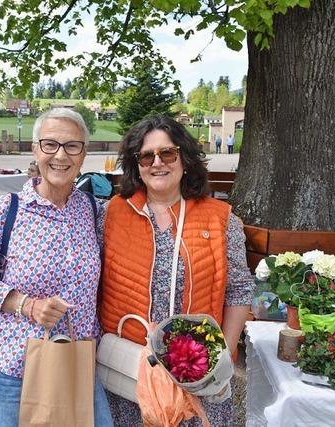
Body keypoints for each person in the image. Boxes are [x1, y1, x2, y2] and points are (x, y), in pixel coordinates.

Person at [98, 115, 255, 426]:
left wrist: (222, 359)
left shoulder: (220, 219)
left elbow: (238, 290)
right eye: (146, 155)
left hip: (196, 374)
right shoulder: (111, 214)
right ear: (136, 165)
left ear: (184, 158)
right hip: (130, 372)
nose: (157, 163)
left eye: (167, 153)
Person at [0, 108, 112, 426]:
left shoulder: (93, 211)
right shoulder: (7, 210)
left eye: (72, 145)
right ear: (35, 150)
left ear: (83, 154)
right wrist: (27, 305)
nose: (61, 155)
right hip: (15, 369)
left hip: (77, 364)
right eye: (50, 144)